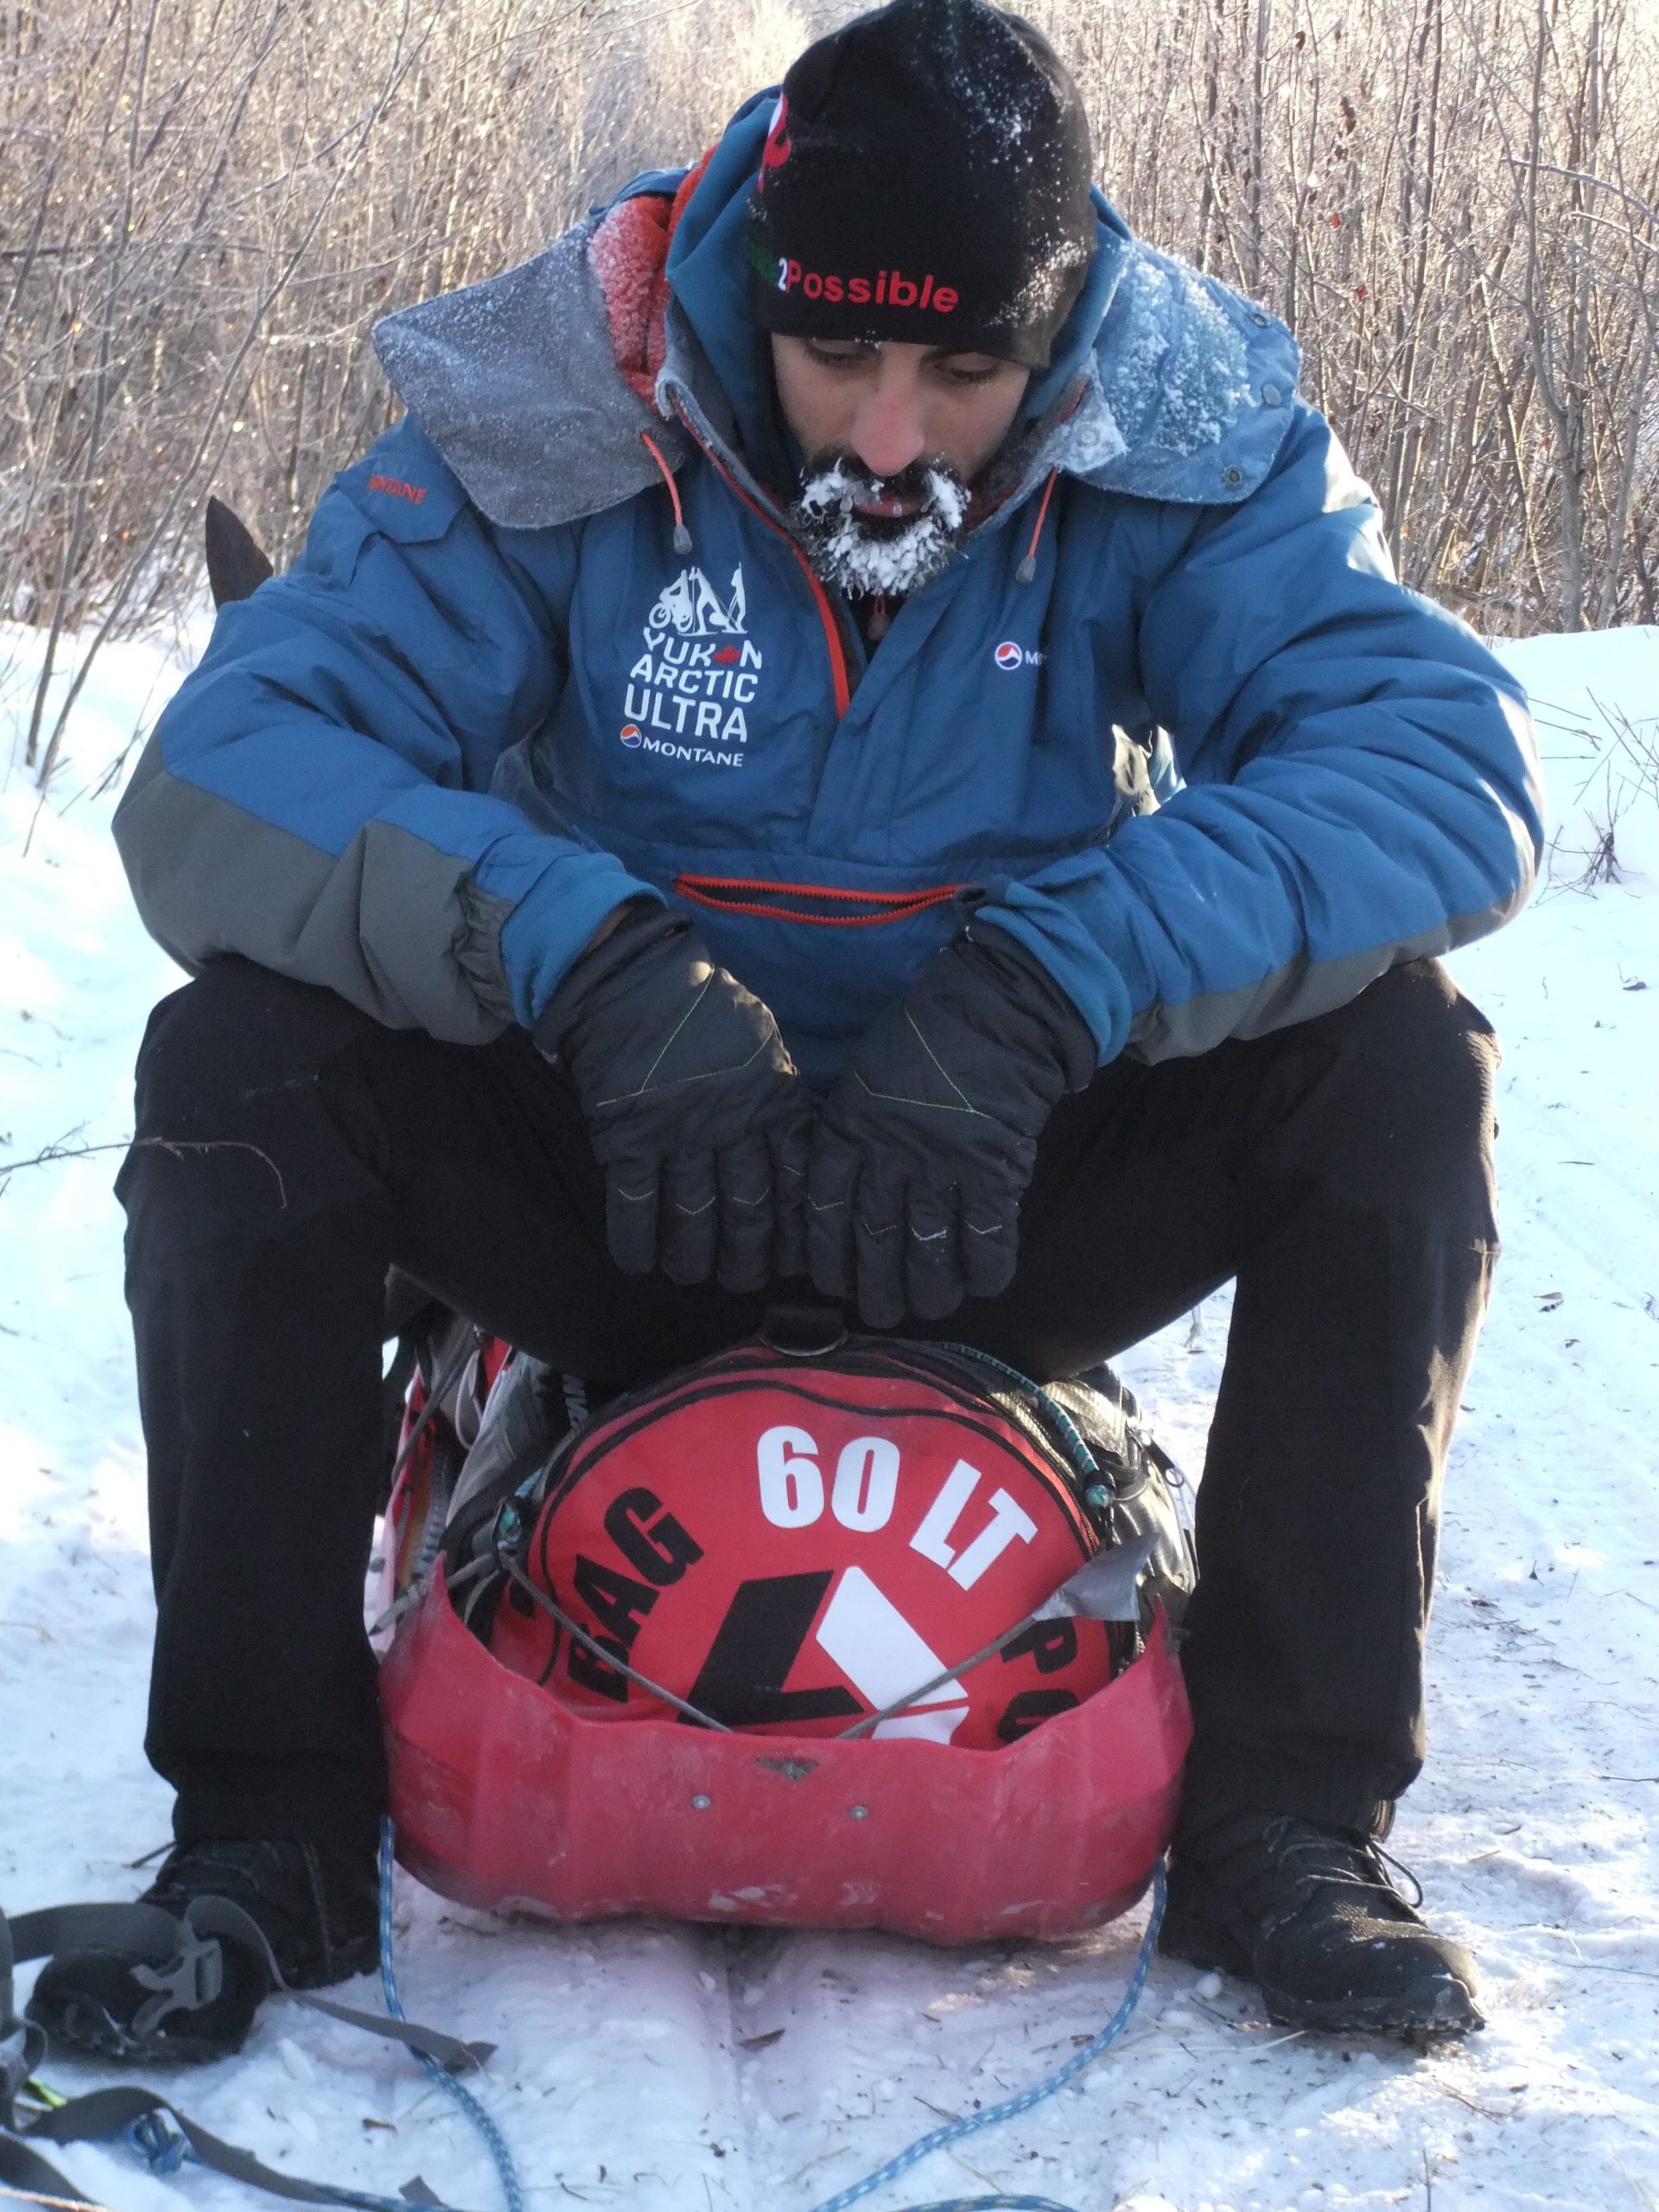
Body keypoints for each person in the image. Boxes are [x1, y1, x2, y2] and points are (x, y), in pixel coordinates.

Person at [31, 0, 1541, 2063]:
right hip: (630, 1175)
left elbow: (1441, 763)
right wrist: (583, 957)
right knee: (238, 1069)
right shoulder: (563, 403)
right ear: (755, 297)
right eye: (839, 357)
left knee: (1401, 1069)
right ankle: (266, 1827)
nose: (891, 438)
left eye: (964, 375)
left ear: (1059, 342)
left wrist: (1050, 984)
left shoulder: (1181, 424)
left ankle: (1288, 1821)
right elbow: (228, 768)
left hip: (981, 1193)